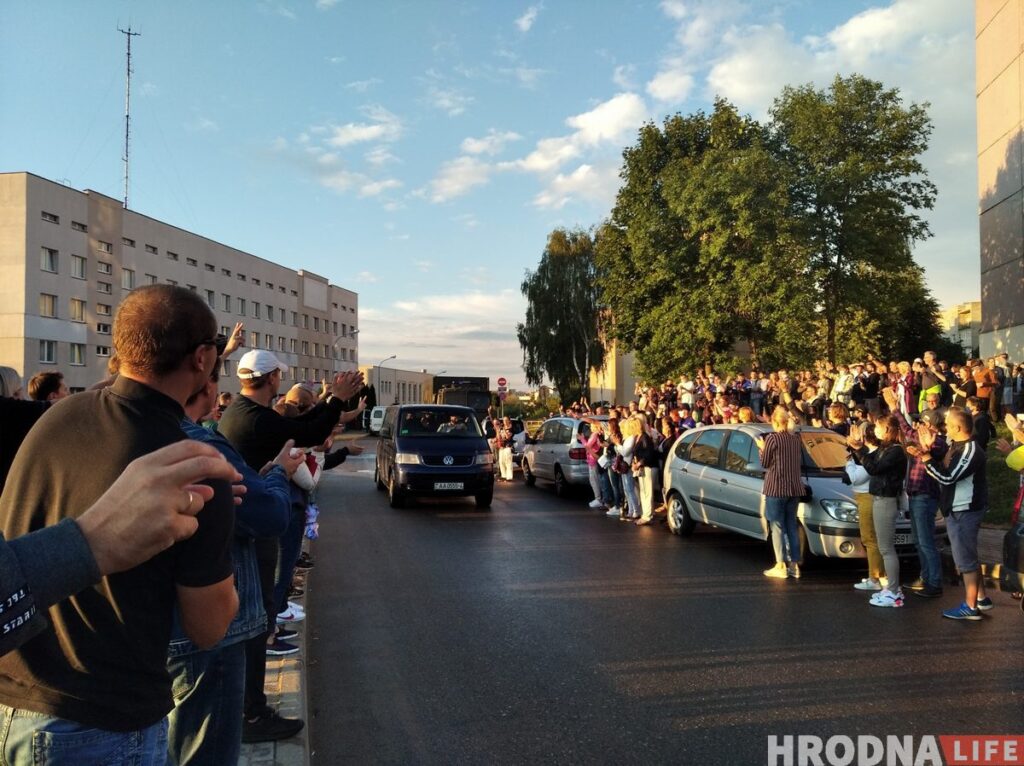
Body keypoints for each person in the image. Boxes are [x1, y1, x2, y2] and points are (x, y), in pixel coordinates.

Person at [0, 284, 238, 764]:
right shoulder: (189, 467)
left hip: (12, 698)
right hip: (100, 723)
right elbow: (209, 628)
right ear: (203, 358)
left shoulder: (58, 416)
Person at [218, 350, 362, 743]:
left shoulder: (241, 412)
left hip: (247, 523)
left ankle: (248, 706)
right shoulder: (256, 418)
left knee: (257, 613)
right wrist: (335, 397)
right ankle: (251, 713)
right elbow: (313, 432)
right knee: (256, 616)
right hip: (253, 529)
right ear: (272, 380)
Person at [167, 364, 301, 766]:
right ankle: (253, 712)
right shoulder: (202, 443)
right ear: (204, 385)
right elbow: (268, 515)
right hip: (210, 624)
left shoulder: (127, 429)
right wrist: (279, 472)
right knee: (202, 748)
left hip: (159, 621)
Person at [0, 441, 240, 658]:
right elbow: (209, 628)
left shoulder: (56, 423)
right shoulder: (195, 459)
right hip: (105, 688)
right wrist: (88, 542)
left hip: (30, 679)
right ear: (208, 389)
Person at [912, 408, 991, 620]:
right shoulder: (956, 446)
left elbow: (948, 478)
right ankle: (981, 598)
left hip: (964, 510)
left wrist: (927, 458)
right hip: (956, 509)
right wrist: (927, 451)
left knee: (965, 561)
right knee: (969, 556)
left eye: (947, 424)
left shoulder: (970, 450)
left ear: (957, 427)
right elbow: (944, 467)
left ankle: (970, 606)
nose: (944, 427)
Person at [848, 416, 908, 608]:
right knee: (884, 547)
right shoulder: (885, 448)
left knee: (886, 548)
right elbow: (870, 458)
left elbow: (874, 468)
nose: (876, 431)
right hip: (879, 497)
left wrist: (859, 451)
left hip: (886, 499)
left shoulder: (896, 451)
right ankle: (891, 588)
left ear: (888, 429)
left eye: (880, 428)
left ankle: (893, 591)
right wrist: (858, 447)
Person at [757, 407, 804, 579]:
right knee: (791, 525)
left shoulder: (772, 439)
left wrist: (761, 447)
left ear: (775, 422)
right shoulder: (795, 439)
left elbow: (764, 462)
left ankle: (780, 564)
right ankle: (794, 564)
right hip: (794, 487)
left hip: (776, 487)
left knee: (776, 526)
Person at [496, 417, 515, 482]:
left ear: (509, 421)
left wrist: (504, 430)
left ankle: (509, 477)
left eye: (506, 420)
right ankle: (503, 476)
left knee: (508, 462)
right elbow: (499, 437)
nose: (505, 421)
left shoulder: (511, 428)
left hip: (508, 447)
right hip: (502, 447)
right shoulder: (502, 428)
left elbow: (508, 437)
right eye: (504, 420)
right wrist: (498, 431)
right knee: (501, 462)